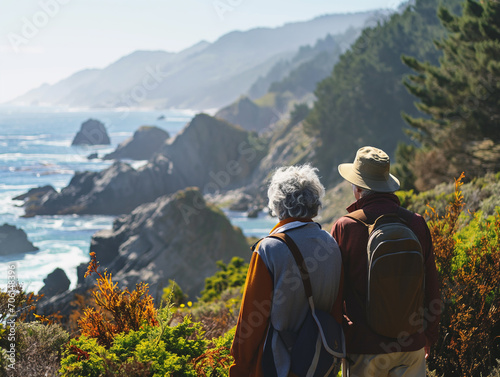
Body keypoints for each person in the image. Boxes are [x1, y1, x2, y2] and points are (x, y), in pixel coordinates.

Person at [331, 146, 441, 377]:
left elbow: (333, 293)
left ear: (358, 188)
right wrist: (428, 337)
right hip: (411, 345)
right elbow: (432, 286)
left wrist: (338, 340)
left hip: (364, 349)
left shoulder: (345, 227)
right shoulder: (417, 223)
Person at [229, 164, 343, 377]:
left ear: (278, 203)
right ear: (314, 203)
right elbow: (336, 310)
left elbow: (251, 321)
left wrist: (239, 366)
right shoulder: (331, 244)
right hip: (320, 362)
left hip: (278, 364)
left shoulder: (269, 249)